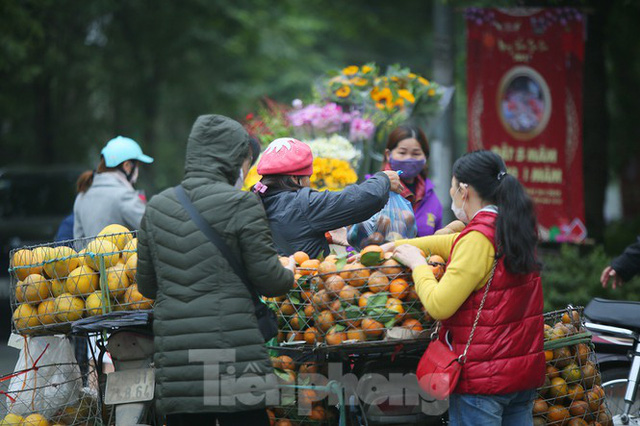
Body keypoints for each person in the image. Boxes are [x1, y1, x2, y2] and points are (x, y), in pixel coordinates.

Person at [136, 115, 294, 425]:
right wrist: (290, 269)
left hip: (180, 361)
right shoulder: (242, 205)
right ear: (233, 160)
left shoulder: (156, 207)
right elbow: (270, 281)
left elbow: (147, 286)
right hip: (233, 353)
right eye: (246, 162)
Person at [383, 150, 545, 425]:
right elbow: (455, 243)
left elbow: (439, 305)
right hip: (520, 376)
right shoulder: (511, 226)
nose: (449, 192)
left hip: (484, 383)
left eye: (452, 185)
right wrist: (396, 246)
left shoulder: (480, 238)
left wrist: (417, 265)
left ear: (464, 190)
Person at [253, 137, 402, 258]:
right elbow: (365, 199)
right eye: (308, 177)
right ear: (295, 178)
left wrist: (325, 234)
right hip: (304, 291)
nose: (309, 183)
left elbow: (292, 232)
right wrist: (384, 179)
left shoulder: (256, 199)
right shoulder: (302, 203)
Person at [73, 136, 154, 239]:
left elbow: (78, 241)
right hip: (121, 256)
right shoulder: (124, 196)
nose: (137, 170)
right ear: (127, 166)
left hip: (87, 255)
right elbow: (153, 230)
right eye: (137, 165)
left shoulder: (82, 195)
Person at [382, 124, 442, 236]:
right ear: (388, 155)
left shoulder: (431, 197)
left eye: (416, 153)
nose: (409, 158)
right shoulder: (373, 190)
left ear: (425, 157)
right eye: (402, 152)